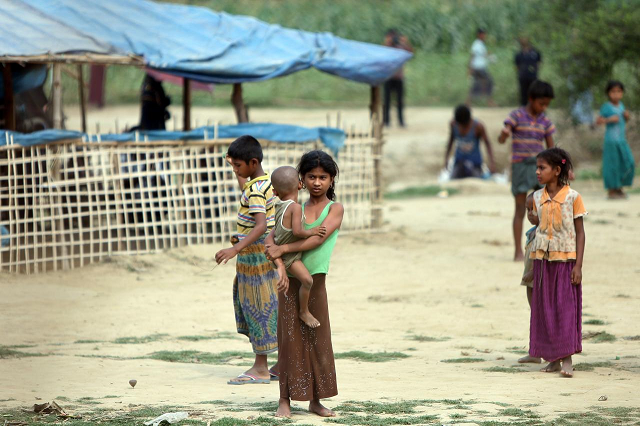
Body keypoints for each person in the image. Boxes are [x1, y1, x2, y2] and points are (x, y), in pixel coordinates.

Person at [265, 150, 344, 419]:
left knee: (318, 339)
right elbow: (272, 234)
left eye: (323, 177)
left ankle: (316, 400)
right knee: (289, 340)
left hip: (315, 283)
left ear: (332, 180)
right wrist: (274, 249)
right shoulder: (293, 207)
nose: (317, 182)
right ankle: (284, 400)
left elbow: (316, 241)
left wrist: (281, 249)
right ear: (302, 179)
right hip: (291, 282)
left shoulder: (335, 209)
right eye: (311, 176)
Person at [214, 135, 279, 385]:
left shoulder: (255, 190)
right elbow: (246, 183)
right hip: (264, 255)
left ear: (252, 162)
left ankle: (260, 368)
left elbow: (260, 225)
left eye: (237, 166)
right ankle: (275, 364)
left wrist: (235, 249)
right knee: (268, 304)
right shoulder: (263, 183)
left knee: (258, 306)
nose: (235, 170)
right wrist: (234, 163)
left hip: (253, 257)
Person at [529, 148, 587, 378]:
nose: (537, 172)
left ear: (556, 170)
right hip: (542, 261)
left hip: (565, 262)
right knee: (544, 309)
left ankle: (567, 359)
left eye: (542, 168)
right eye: (537, 167)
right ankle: (552, 358)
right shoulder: (536, 198)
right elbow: (535, 224)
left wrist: (578, 266)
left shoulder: (573, 197)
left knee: (565, 308)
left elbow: (581, 233)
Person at [498, 80, 555, 261]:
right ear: (531, 99)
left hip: (539, 168)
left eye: (547, 104)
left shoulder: (545, 121)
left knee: (542, 210)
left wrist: (562, 167)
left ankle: (541, 248)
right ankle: (517, 251)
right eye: (541, 103)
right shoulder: (516, 116)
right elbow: (501, 138)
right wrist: (505, 134)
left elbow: (552, 148)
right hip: (521, 166)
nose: (544, 107)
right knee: (520, 209)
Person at [270, 166, 327, 328]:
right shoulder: (295, 207)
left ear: (275, 192)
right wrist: (313, 231)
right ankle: (303, 311)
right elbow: (297, 231)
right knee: (308, 281)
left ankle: (303, 310)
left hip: (279, 252)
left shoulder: (279, 205)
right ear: (300, 185)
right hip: (289, 257)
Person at [596, 80, 635, 199]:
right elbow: (598, 121)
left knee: (628, 162)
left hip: (621, 140)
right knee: (612, 165)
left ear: (622, 93)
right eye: (613, 91)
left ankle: (619, 187)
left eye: (619, 91)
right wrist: (609, 120)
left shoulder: (622, 106)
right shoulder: (606, 107)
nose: (616, 94)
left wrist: (627, 117)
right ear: (608, 93)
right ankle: (612, 190)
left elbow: (623, 121)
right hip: (611, 141)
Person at [517, 193, 541, 364]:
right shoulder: (532, 232)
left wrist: (534, 272)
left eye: (534, 209)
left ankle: (545, 350)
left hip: (538, 280)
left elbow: (544, 257)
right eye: (527, 209)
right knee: (535, 314)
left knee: (541, 314)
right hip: (530, 283)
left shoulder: (545, 234)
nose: (530, 214)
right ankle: (535, 351)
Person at [444, 105, 496, 178]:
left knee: (476, 180)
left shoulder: (478, 127)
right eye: (460, 125)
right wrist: (446, 158)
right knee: (453, 178)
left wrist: (492, 163)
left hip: (475, 164)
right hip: (459, 162)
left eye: (464, 125)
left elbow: (487, 144)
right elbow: (450, 141)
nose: (462, 127)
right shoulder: (453, 124)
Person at [383, 29, 414, 127]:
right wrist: (387, 42)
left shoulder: (401, 47)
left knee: (400, 101)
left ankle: (401, 121)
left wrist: (405, 42)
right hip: (388, 78)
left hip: (399, 78)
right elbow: (381, 53)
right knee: (387, 101)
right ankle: (386, 121)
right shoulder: (386, 47)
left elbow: (411, 53)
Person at [467, 28, 495, 107]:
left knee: (476, 84)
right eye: (483, 34)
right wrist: (469, 68)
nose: (484, 36)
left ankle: (468, 102)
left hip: (479, 68)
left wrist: (489, 56)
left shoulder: (481, 44)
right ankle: (489, 101)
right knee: (489, 82)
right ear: (479, 35)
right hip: (479, 68)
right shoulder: (477, 44)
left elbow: (483, 55)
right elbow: (472, 56)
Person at [514, 37, 542, 106]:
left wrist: (534, 71)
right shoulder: (519, 55)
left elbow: (539, 63)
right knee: (523, 93)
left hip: (533, 76)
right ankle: (524, 108)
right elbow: (517, 66)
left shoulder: (535, 53)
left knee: (534, 92)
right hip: (523, 77)